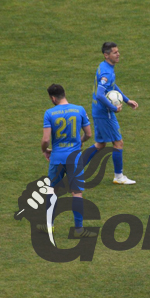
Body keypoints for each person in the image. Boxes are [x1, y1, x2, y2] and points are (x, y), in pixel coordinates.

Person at [42, 83, 95, 238]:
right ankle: (78, 229)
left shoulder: (49, 113)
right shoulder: (79, 110)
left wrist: (45, 150)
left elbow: (45, 140)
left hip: (57, 157)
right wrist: (80, 141)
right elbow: (89, 134)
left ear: (53, 98)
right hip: (75, 158)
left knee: (53, 191)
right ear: (64, 94)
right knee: (76, 193)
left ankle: (49, 226)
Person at [88, 42, 139, 185]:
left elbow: (112, 86)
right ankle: (118, 176)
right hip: (105, 113)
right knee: (118, 143)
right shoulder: (106, 73)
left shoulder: (104, 66)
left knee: (100, 144)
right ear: (106, 55)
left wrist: (126, 100)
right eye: (115, 52)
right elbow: (100, 94)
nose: (118, 54)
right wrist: (113, 108)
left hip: (98, 110)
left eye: (118, 51)